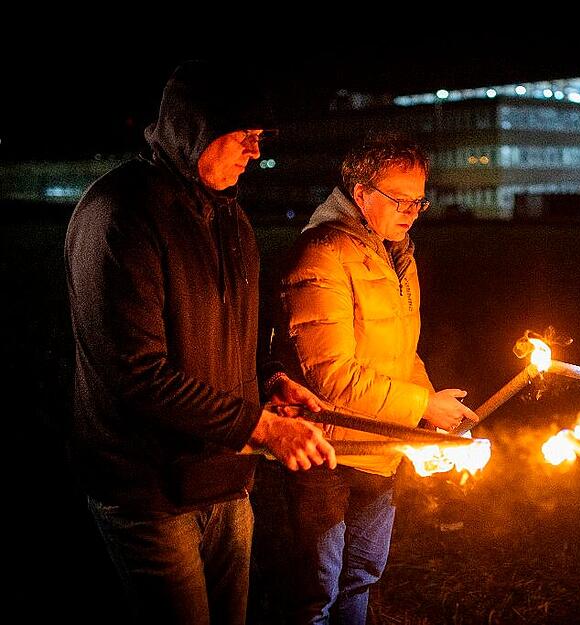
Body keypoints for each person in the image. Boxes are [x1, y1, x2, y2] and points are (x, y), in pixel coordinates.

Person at [65, 60, 336, 625]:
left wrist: (268, 380)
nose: (254, 153)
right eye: (242, 136)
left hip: (226, 479)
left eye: (258, 138)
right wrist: (262, 428)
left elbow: (231, 336)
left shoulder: (232, 219)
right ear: (194, 129)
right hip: (149, 491)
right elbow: (137, 375)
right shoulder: (120, 217)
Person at [271, 134, 479, 624]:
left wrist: (429, 406)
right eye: (398, 199)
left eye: (419, 201)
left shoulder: (397, 254)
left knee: (362, 576)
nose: (411, 212)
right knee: (317, 593)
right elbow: (332, 376)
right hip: (326, 453)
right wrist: (421, 406)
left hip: (382, 449)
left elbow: (400, 352)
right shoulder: (321, 254)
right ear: (360, 193)